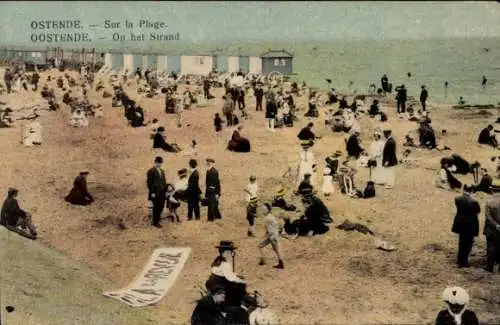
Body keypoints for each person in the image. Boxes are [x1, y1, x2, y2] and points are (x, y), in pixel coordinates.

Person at [205, 241, 246, 306]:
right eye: (226, 252)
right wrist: (242, 281)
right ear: (222, 252)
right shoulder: (225, 264)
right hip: (219, 285)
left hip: (211, 282)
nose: (228, 254)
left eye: (229, 252)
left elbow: (223, 273)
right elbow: (230, 278)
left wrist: (236, 274)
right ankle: (233, 305)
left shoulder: (217, 261)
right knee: (238, 287)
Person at [452, 185, 480, 268]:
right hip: (470, 225)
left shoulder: (458, 199)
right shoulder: (474, 201)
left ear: (463, 189)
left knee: (461, 242)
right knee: (468, 244)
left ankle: (460, 260)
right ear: (471, 191)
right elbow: (477, 211)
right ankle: (465, 261)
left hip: (461, 224)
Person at [258, 203, 285, 269]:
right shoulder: (271, 216)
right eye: (262, 209)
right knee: (275, 249)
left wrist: (266, 236)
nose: (263, 211)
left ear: (268, 210)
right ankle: (279, 263)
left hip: (272, 237)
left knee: (262, 246)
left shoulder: (267, 218)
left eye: (264, 209)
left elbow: (270, 231)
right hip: (274, 236)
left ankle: (263, 260)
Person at [146, 156, 167, 228]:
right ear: (155, 162)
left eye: (160, 163)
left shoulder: (162, 171)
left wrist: (166, 191)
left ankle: (157, 218)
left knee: (161, 206)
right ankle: (155, 222)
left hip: (162, 193)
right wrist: (152, 193)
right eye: (157, 162)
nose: (159, 164)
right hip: (155, 193)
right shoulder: (151, 171)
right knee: (156, 207)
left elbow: (164, 182)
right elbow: (149, 183)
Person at [483, 193, 500, 273]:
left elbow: (488, 216)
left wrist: (496, 225)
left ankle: (490, 267)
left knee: (490, 247)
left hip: (491, 229)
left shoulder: (490, 202)